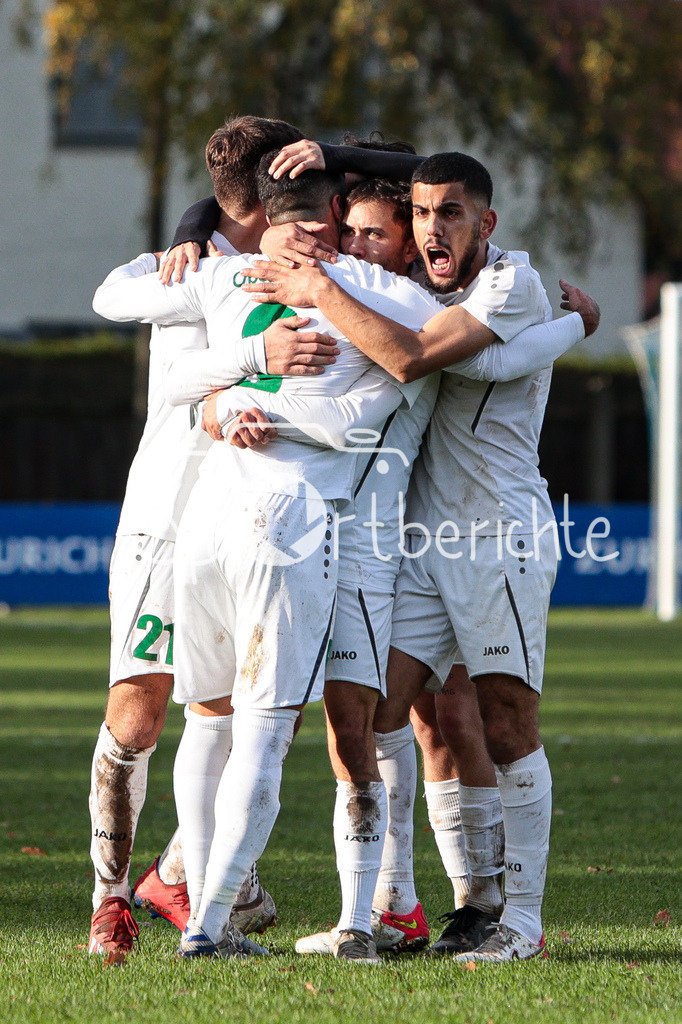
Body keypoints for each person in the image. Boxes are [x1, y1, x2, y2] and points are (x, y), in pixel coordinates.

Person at [237, 149, 600, 963]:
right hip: (421, 541)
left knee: (505, 723)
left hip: (498, 536)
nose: (434, 228)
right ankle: (389, 905)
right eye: (424, 213)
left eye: (451, 214)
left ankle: (521, 922)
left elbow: (412, 357)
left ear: (485, 222)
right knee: (378, 712)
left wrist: (318, 288)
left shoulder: (512, 284)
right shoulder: (414, 288)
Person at [92, 158, 443, 961]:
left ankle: (238, 909)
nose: (358, 243)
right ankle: (209, 925)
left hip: (209, 516)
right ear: (331, 216)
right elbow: (394, 379)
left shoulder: (230, 272)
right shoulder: (378, 291)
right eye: (351, 227)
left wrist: (233, 396)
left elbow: (167, 371)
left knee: (211, 721)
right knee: (262, 729)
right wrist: (253, 393)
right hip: (291, 523)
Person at [86, 114, 336, 961]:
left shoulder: (305, 272)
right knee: (140, 712)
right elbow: (114, 305)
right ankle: (110, 900)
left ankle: (188, 874)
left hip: (251, 518)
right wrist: (188, 247)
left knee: (265, 714)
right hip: (166, 518)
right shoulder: (191, 270)